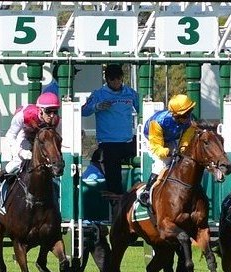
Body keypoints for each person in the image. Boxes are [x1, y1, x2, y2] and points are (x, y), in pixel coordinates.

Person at [0, 92, 61, 214]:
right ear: (40, 110)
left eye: (55, 111)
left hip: (40, 138)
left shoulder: (55, 121)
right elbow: (10, 136)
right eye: (48, 111)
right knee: (14, 165)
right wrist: (21, 152)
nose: (52, 116)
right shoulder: (24, 115)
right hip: (22, 133)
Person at [81, 64, 139, 196]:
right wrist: (97, 106)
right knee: (113, 173)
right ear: (107, 80)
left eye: (118, 78)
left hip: (128, 141)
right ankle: (116, 200)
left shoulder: (130, 93)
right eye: (112, 79)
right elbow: (83, 111)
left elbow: (142, 109)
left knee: (148, 149)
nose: (116, 82)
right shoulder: (98, 94)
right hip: (108, 143)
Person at [137, 94, 196, 206]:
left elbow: (186, 139)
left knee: (181, 160)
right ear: (176, 115)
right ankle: (147, 191)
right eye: (185, 114)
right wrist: (168, 152)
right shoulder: (158, 121)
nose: (188, 117)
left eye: (190, 112)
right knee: (162, 163)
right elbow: (157, 147)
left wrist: (182, 149)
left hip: (170, 139)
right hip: (151, 139)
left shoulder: (189, 120)